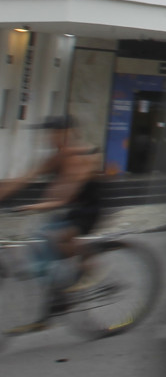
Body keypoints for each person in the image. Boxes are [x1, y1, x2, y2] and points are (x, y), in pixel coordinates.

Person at [0, 116, 108, 332]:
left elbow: (63, 196)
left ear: (68, 133)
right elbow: (26, 178)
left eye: (55, 133)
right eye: (48, 134)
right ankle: (50, 309)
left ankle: (90, 269)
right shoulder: (56, 158)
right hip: (69, 210)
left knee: (59, 239)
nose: (50, 138)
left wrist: (33, 207)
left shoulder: (82, 155)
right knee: (41, 246)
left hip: (89, 210)